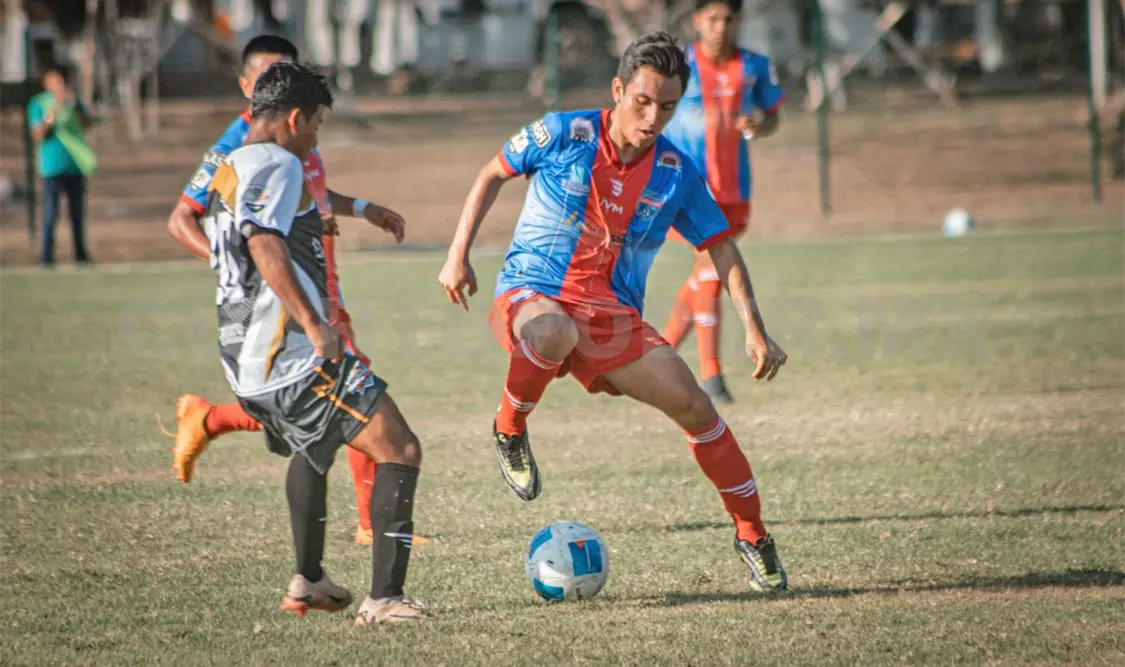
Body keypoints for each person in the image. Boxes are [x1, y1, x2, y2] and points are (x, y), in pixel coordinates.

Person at [438, 31, 789, 593]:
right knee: (552, 331)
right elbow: (491, 174)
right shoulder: (563, 132)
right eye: (643, 102)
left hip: (610, 316)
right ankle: (509, 428)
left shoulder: (675, 169)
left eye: (668, 107)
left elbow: (720, 245)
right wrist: (456, 258)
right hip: (534, 289)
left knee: (697, 408)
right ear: (619, 89)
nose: (653, 117)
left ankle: (753, 535)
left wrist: (753, 326)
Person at [203, 60, 426, 624]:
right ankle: (386, 600)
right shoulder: (279, 162)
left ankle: (309, 578)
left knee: (317, 446)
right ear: (295, 118)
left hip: (245, 362)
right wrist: (313, 322)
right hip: (291, 356)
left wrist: (351, 210)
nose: (316, 138)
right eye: (318, 125)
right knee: (399, 447)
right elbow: (263, 244)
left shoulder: (230, 167)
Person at [166, 35, 405, 546]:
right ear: (250, 86)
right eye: (271, 74)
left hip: (317, 278)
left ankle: (209, 419)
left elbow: (310, 193)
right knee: (359, 399)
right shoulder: (239, 145)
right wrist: (235, 267)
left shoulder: (293, 137)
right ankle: (367, 529)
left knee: (322, 414)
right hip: (285, 298)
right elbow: (184, 218)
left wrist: (362, 209)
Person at [660, 0, 784, 404]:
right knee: (711, 272)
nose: (720, 27)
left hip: (735, 189)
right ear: (697, 21)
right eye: (712, 18)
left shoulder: (754, 65)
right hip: (687, 190)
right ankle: (711, 377)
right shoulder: (678, 64)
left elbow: (773, 116)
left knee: (704, 277)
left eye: (728, 19)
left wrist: (760, 124)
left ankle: (657, 355)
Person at [28, 64, 95, 266]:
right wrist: (54, 110)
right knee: (50, 215)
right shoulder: (39, 103)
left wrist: (75, 107)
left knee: (77, 216)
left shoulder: (73, 102)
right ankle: (46, 257)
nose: (60, 85)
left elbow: (87, 125)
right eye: (56, 81)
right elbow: (38, 134)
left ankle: (80, 256)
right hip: (52, 168)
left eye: (62, 81)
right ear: (46, 83)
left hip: (74, 166)